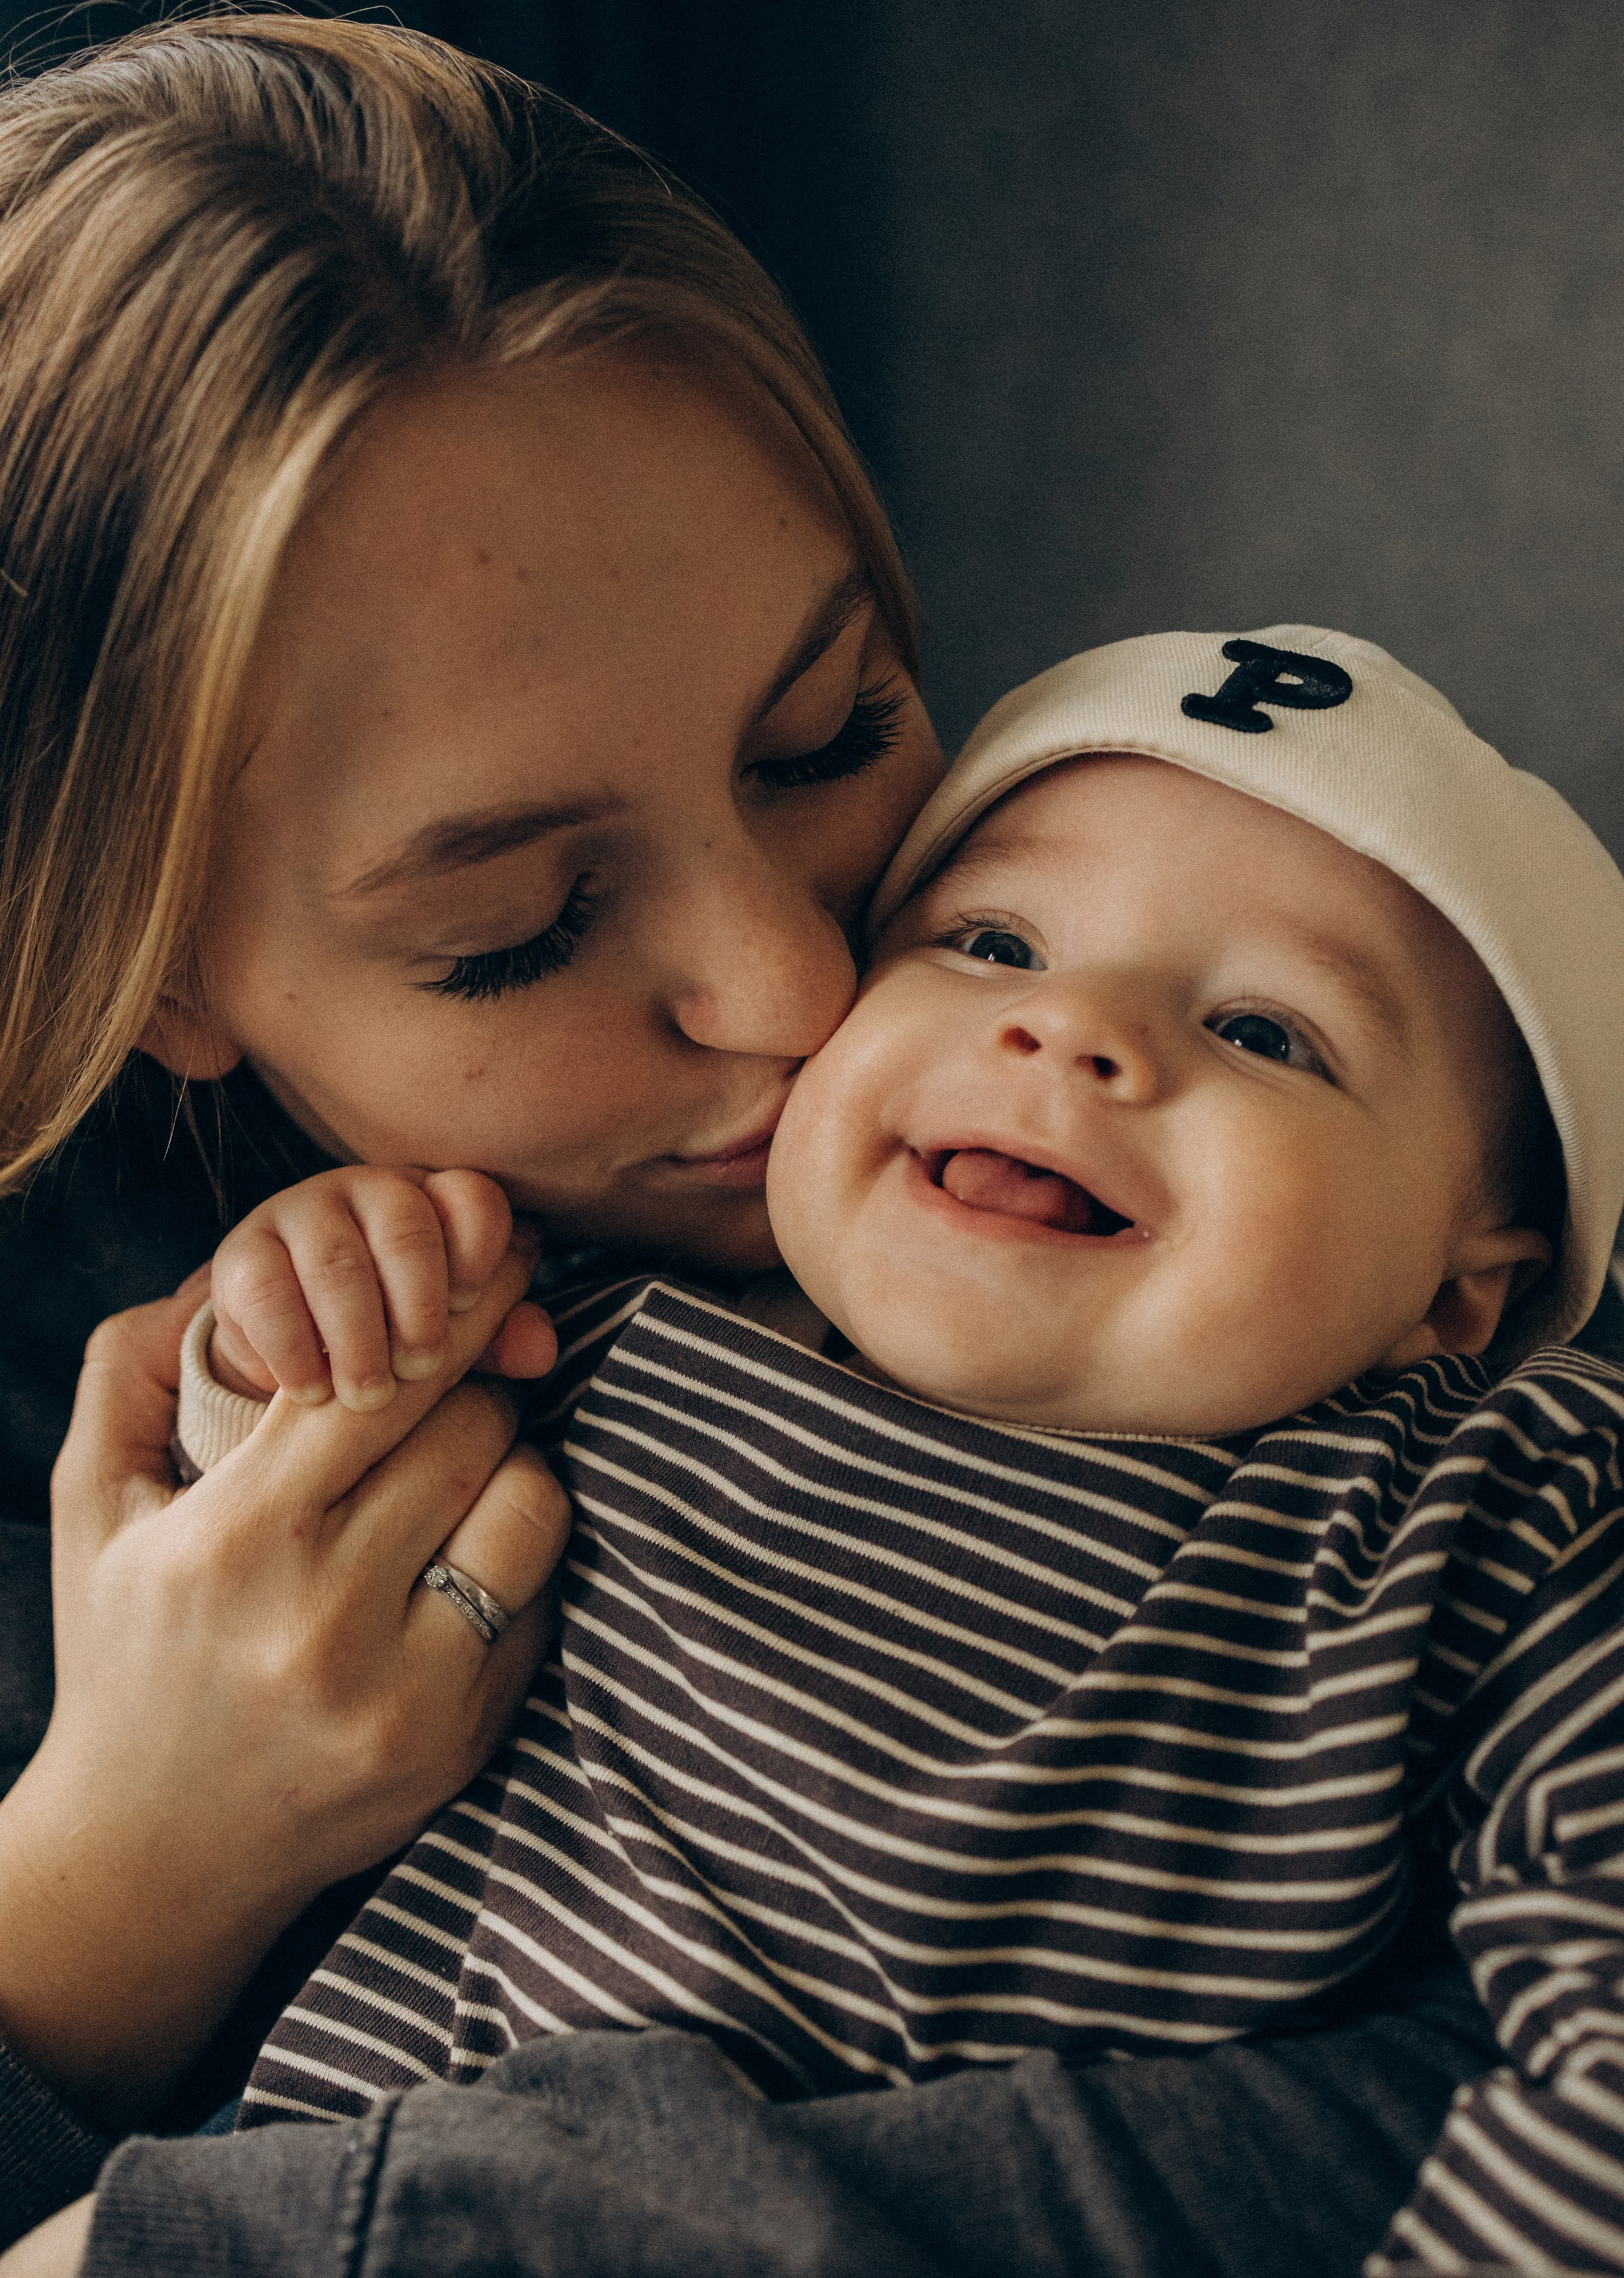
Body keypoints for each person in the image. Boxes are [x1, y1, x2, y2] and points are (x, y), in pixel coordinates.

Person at [0, 5, 1612, 2277]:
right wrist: (110, 1878)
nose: (797, 987)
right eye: (520, 927)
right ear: (148, 969)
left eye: (832, 730)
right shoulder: (358, 1364)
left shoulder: (1407, 1342)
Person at [139, 626, 1624, 2272]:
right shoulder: (604, 1322)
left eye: (1267, 1033)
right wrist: (304, 1316)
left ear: (1466, 1287)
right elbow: (259, 1558)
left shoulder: (1487, 1516)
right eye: (992, 943)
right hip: (347, 2195)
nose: (1073, 1035)